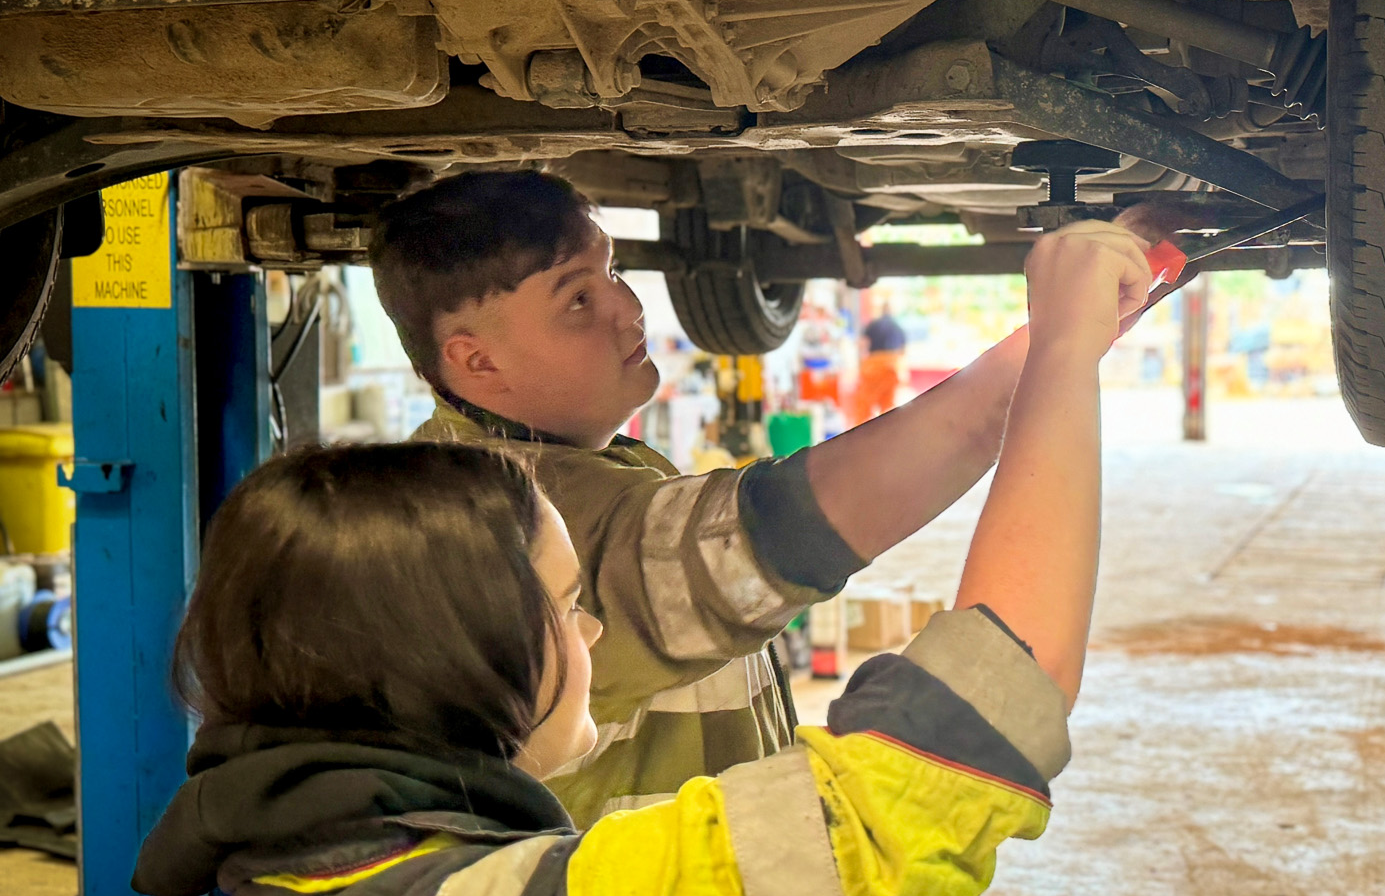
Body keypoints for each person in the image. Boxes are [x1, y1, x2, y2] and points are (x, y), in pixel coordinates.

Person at [109, 218, 1151, 896]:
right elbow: (975, 716)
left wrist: (1065, 342)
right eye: (566, 608)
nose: (592, 635)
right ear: (459, 662)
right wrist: (1062, 354)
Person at [370, 171, 1032, 824]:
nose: (629, 308)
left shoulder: (525, 467)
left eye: (613, 273)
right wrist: (1039, 356)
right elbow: (773, 540)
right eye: (577, 300)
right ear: (477, 361)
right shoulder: (512, 520)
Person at [849, 303, 908, 425]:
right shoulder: (898, 327)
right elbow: (903, 352)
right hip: (891, 368)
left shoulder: (873, 324)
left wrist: (860, 364)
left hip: (873, 367)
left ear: (881, 310)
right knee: (888, 407)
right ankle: (888, 434)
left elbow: (862, 344)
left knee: (865, 406)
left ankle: (860, 435)